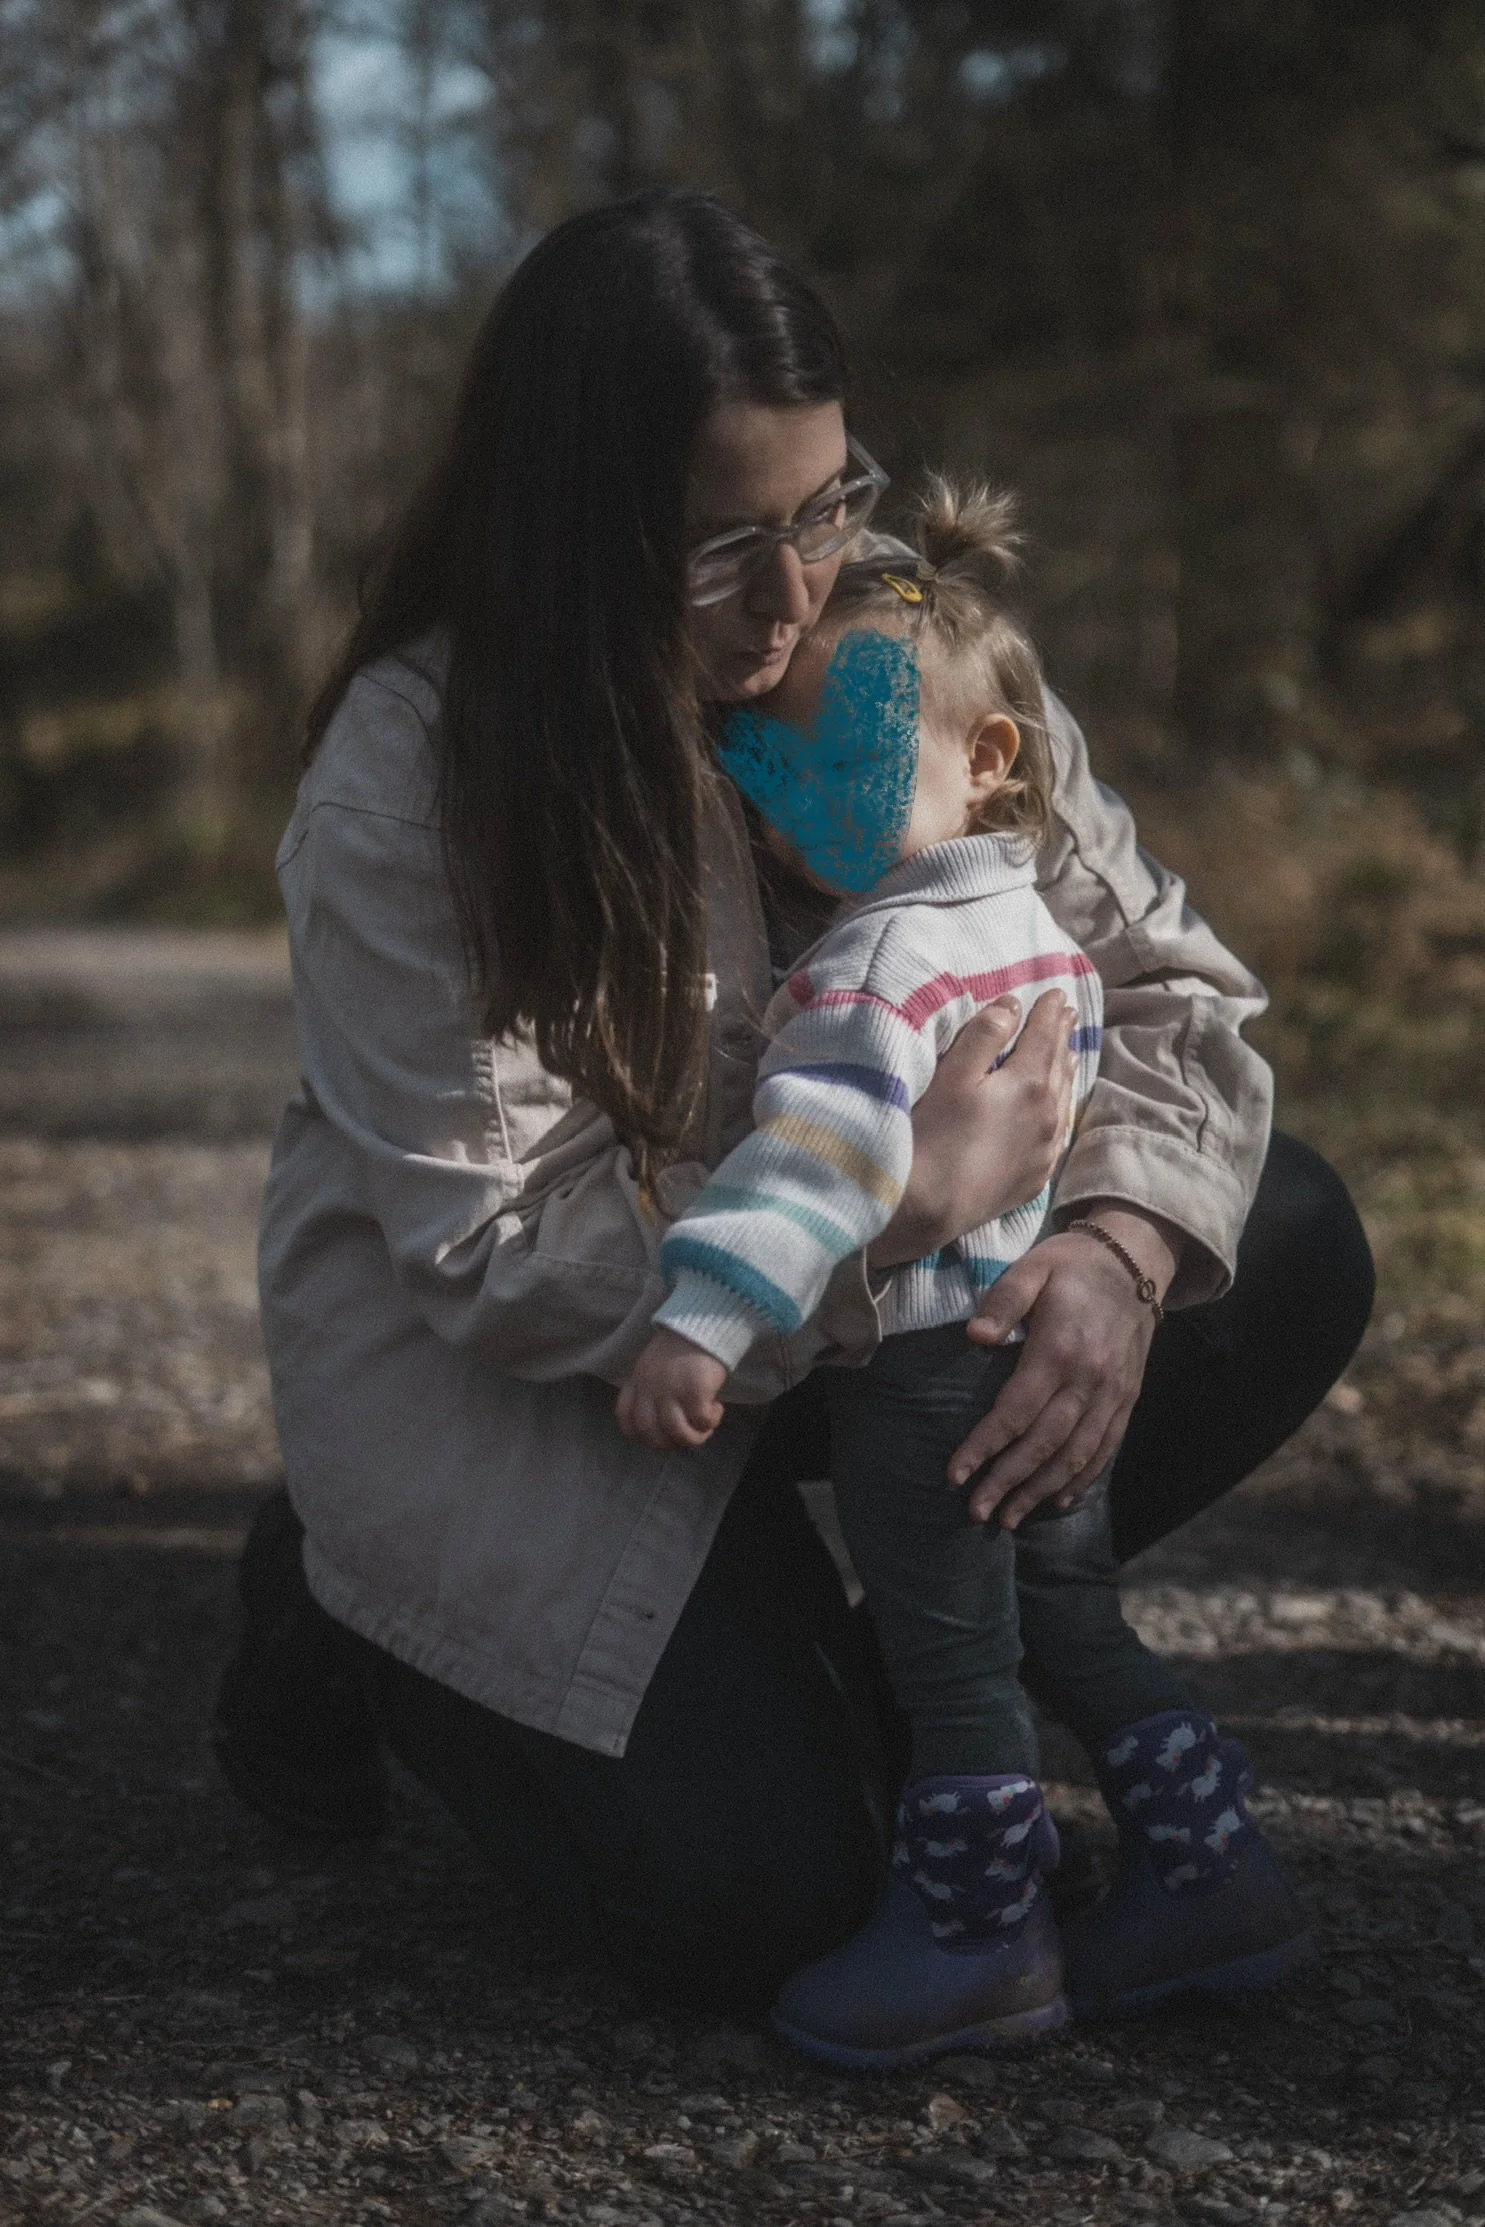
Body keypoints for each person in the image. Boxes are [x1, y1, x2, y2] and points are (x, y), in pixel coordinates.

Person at [215, 186, 1374, 2021]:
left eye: (826, 506)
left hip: (869, 1336)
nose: (793, 598)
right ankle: (332, 1589)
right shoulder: (410, 780)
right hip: (565, 1378)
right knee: (763, 1907)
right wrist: (899, 1203)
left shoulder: (903, 644)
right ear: (574, 535)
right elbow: (513, 1257)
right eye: (716, 548)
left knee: (1283, 1235)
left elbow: (1167, 983)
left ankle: (902, 1683)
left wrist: (1113, 1249)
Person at [617, 485, 1311, 2064]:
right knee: (1070, 1619)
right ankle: (1213, 1867)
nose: (796, 807)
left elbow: (826, 1166)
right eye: (769, 768)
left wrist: (701, 1322)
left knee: (949, 1660)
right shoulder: (1033, 927)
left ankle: (980, 1933)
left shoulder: (864, 965)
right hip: (1045, 1355)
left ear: (993, 757)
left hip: (928, 1370)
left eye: (839, 761)